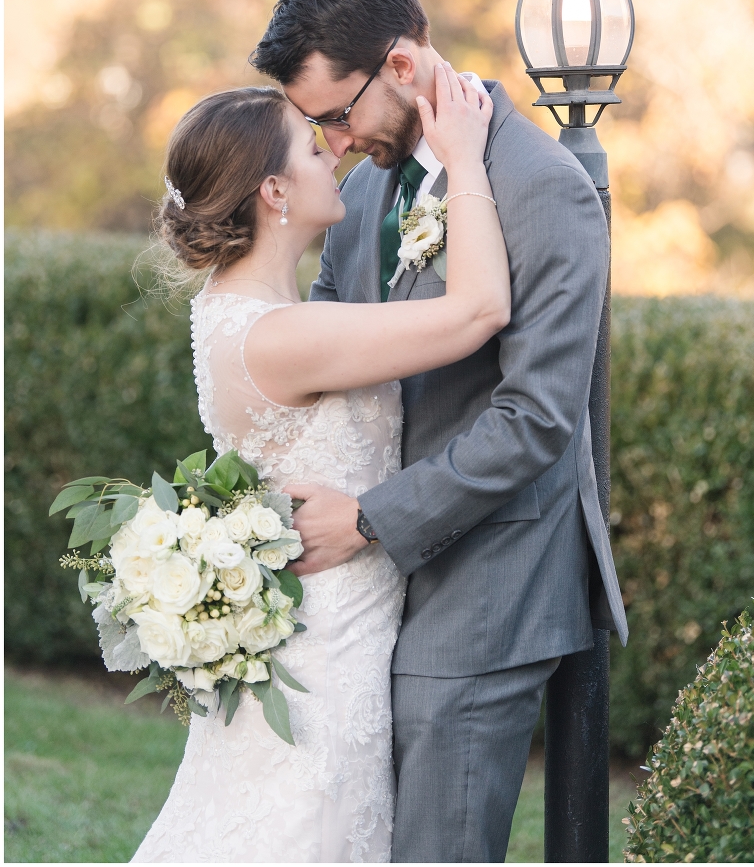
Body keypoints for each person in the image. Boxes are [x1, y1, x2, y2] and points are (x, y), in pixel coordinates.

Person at [250, 0, 628, 863]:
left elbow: (537, 418)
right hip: (371, 579)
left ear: (404, 67)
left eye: (336, 115)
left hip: (488, 576)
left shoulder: (543, 187)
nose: (331, 142)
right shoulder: (374, 181)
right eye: (314, 126)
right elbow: (338, 340)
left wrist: (372, 520)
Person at [132, 65, 510, 863]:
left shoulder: (239, 313)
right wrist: (466, 160)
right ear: (274, 192)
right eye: (311, 147)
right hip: (325, 658)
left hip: (327, 637)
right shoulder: (282, 337)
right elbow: (479, 311)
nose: (332, 153)